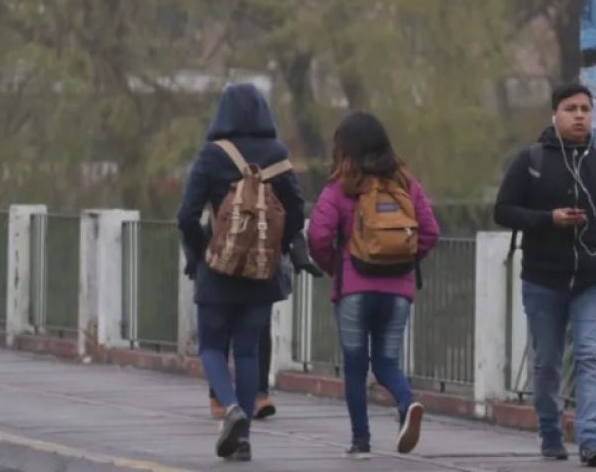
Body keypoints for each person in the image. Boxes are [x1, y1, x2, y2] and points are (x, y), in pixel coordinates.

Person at [493, 83, 596, 467]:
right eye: (570, 108)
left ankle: (589, 439)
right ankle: (551, 432)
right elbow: (503, 210)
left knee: (590, 355)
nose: (579, 115)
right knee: (548, 363)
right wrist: (548, 220)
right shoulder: (532, 160)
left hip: (594, 280)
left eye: (585, 109)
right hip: (543, 279)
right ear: (554, 114)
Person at [177, 83, 305, 462]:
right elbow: (296, 211)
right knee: (248, 350)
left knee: (212, 346)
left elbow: (185, 215)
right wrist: (275, 248)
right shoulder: (278, 154)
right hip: (261, 273)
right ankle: (244, 437)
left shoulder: (211, 156)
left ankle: (229, 407)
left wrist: (202, 251)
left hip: (218, 270)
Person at [307, 112, 440, 458]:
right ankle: (407, 401)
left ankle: (360, 441)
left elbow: (319, 236)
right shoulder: (406, 185)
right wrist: (405, 261)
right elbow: (430, 232)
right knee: (386, 361)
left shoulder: (339, 188)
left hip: (354, 290)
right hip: (397, 291)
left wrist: (335, 267)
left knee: (355, 365)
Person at [205, 232, 322, 421]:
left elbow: (189, 216)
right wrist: (299, 251)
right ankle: (239, 397)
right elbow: (292, 210)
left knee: (238, 329)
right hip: (253, 260)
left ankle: (246, 397)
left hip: (243, 260)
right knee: (245, 331)